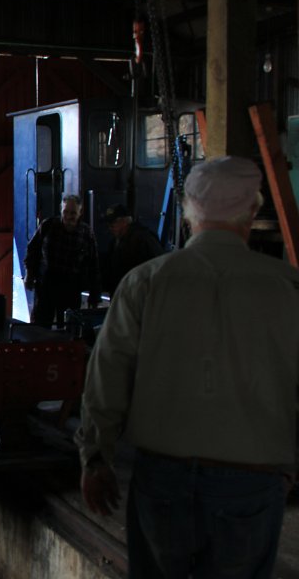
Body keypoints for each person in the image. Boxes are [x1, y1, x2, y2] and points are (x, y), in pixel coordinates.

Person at [75, 156, 298, 579]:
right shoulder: (288, 287)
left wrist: (95, 457)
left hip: (163, 479)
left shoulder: (145, 282)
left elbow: (107, 377)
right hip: (253, 482)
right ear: (252, 210)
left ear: (188, 209)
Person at [23, 194, 102, 328]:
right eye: (65, 212)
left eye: (73, 213)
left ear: (80, 212)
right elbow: (32, 250)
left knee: (69, 327)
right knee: (40, 326)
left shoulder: (86, 233)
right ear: (61, 210)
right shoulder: (48, 226)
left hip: (71, 286)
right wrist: (29, 275)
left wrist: (95, 295)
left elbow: (94, 265)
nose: (68, 216)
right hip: (46, 284)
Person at [100, 203, 164, 296]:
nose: (110, 227)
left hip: (138, 296)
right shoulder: (115, 242)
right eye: (108, 223)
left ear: (125, 221)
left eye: (113, 223)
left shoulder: (144, 239)